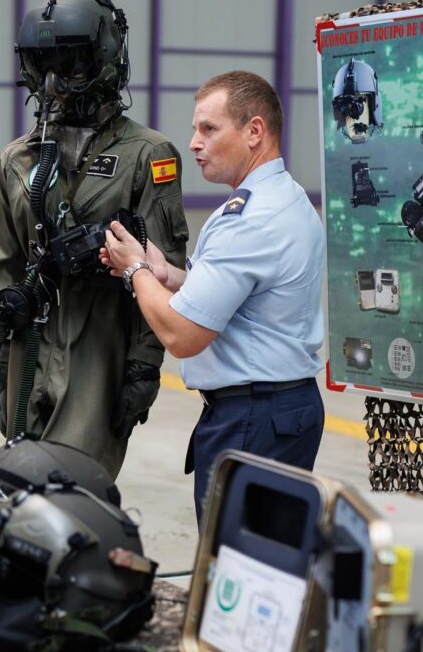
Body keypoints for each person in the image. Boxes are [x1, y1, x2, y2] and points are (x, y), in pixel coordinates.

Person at [101, 71, 325, 522]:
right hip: (281, 411)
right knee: (266, 563)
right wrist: (169, 276)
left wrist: (136, 270)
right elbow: (244, 298)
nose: (194, 143)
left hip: (252, 420)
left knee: (235, 570)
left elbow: (182, 336)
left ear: (254, 132)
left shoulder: (247, 220)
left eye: (209, 129)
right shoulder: (286, 198)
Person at [0, 0, 188, 478]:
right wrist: (0, 344)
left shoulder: (148, 154)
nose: (55, 83)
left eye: (72, 64)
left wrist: (143, 365)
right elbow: (6, 264)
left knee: (77, 486)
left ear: (104, 61)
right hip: (28, 350)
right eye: (44, 66)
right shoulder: (18, 159)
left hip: (99, 350)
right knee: (18, 483)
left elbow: (161, 270)